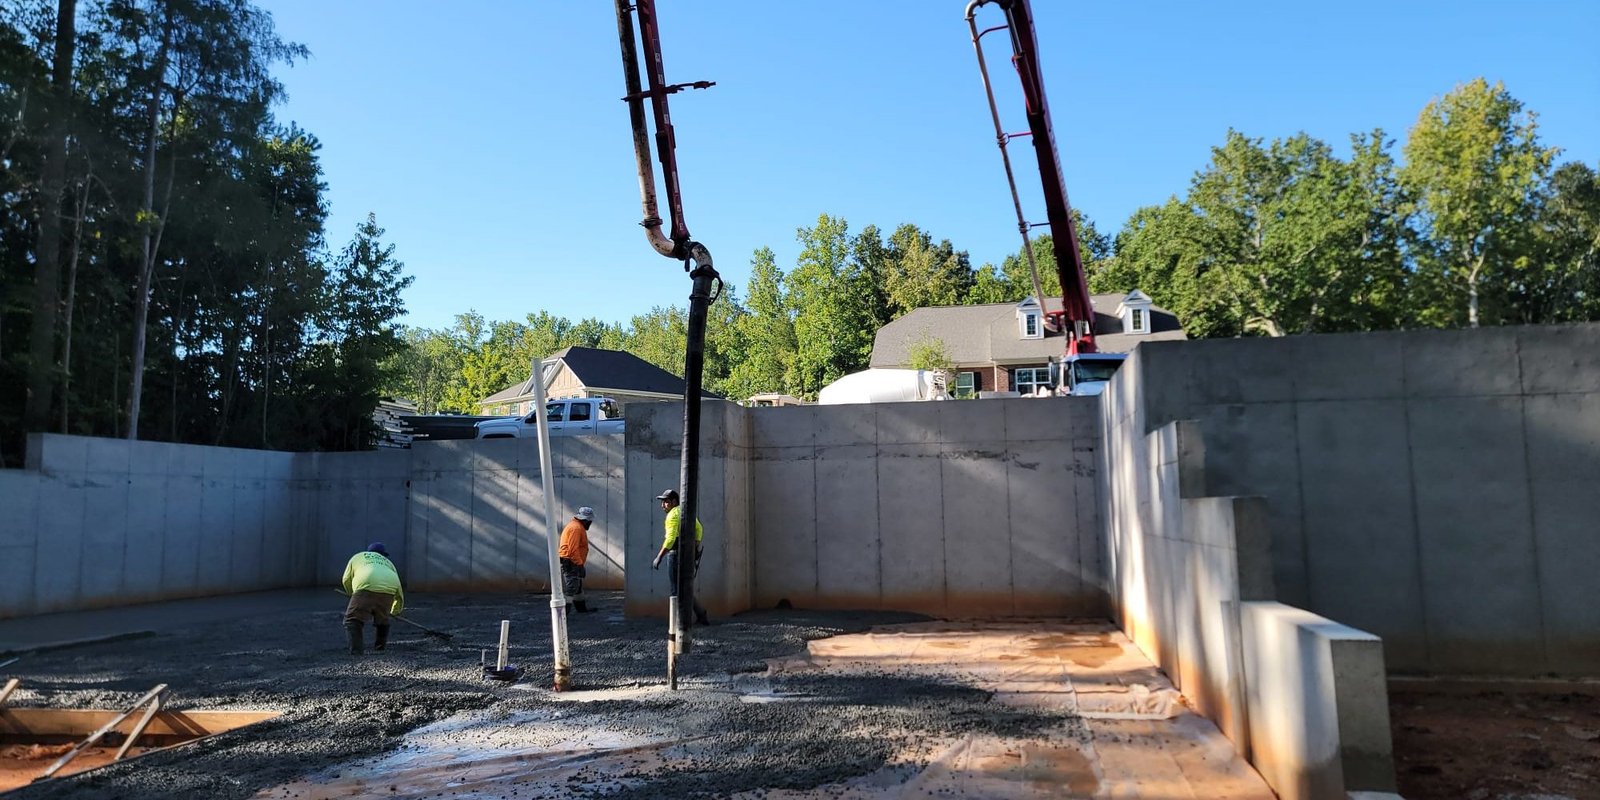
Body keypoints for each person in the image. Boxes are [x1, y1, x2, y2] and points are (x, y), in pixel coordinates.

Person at [651, 488, 708, 626]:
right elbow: (699, 529)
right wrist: (694, 548)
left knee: (676, 589)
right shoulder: (685, 511)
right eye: (662, 502)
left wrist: (659, 556)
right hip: (686, 555)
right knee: (684, 587)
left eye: (666, 502)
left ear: (674, 501)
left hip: (675, 555)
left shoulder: (672, 515)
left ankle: (678, 622)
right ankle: (701, 614)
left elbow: (670, 539)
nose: (663, 505)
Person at [341, 542, 404, 655]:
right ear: (383, 554)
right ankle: (380, 648)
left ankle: (357, 652)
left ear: (368, 552)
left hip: (366, 584)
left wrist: (353, 594)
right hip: (389, 587)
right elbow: (399, 590)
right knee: (382, 620)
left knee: (352, 620)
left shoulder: (358, 556)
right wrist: (395, 611)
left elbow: (346, 579)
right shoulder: (388, 562)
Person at [560, 506, 597, 613]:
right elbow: (572, 549)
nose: (590, 524)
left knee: (578, 585)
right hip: (571, 561)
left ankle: (581, 608)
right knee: (572, 586)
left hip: (572, 561)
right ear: (585, 520)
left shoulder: (576, 526)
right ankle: (564, 612)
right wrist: (579, 565)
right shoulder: (576, 528)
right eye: (590, 521)